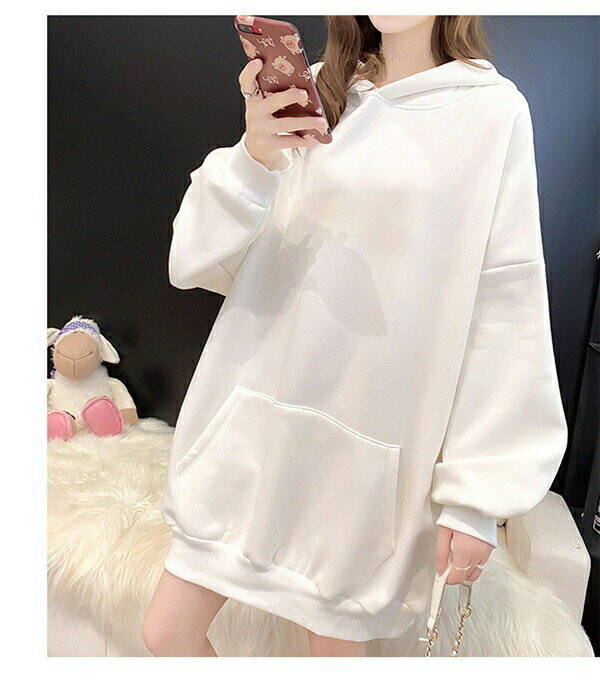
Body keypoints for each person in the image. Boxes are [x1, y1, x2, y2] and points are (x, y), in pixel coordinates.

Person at [142, 15, 568, 657]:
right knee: (166, 632)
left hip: (368, 456)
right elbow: (202, 262)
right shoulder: (319, 87)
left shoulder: (492, 112)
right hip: (254, 428)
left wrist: (477, 499)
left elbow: (505, 305)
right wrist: (255, 154)